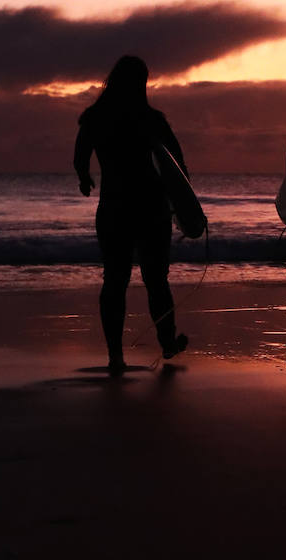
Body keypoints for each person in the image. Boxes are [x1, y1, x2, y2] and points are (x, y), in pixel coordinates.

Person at [74, 56, 189, 374]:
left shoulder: (96, 117)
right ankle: (166, 342)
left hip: (114, 208)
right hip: (151, 207)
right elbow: (178, 163)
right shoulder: (151, 118)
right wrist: (183, 203)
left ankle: (115, 354)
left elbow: (80, 155)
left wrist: (84, 178)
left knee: (115, 281)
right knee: (156, 280)